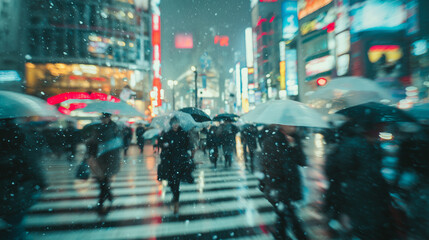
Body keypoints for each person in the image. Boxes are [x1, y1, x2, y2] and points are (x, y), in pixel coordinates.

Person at [324, 121, 393, 239]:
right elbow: (346, 171)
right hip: (361, 197)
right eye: (379, 128)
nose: (381, 132)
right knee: (362, 229)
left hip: (368, 196)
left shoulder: (372, 146)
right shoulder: (356, 145)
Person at [0, 118, 46, 239]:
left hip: (11, 181)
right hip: (15, 182)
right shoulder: (19, 135)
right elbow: (30, 160)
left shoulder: (17, 135)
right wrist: (40, 180)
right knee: (15, 216)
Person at [260, 124, 308, 240]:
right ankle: (299, 236)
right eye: (291, 124)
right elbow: (272, 165)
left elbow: (302, 161)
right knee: (289, 214)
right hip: (279, 184)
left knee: (283, 213)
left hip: (291, 184)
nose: (294, 127)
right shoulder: (271, 141)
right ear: (282, 125)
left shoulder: (295, 139)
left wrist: (294, 145)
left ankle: (279, 234)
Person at [87, 112, 123, 215]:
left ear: (109, 118)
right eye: (102, 118)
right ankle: (109, 195)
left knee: (104, 180)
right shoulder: (98, 128)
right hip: (99, 158)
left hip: (110, 158)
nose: (103, 120)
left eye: (105, 118)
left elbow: (119, 142)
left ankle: (101, 201)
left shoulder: (114, 128)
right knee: (101, 180)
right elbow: (94, 142)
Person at [159, 116, 193, 214]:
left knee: (176, 180)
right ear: (171, 124)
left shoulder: (183, 133)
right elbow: (162, 144)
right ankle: (174, 194)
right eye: (174, 123)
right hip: (169, 161)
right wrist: (164, 144)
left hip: (180, 161)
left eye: (176, 123)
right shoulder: (167, 133)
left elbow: (187, 145)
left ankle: (176, 198)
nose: (175, 125)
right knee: (171, 181)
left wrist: (188, 152)